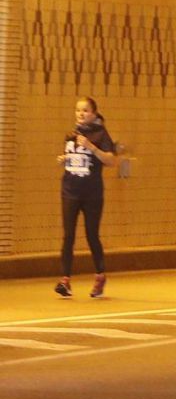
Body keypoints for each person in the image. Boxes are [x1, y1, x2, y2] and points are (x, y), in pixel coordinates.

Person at [55, 97, 116, 298]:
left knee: (92, 235)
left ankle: (100, 276)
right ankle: (65, 281)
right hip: (70, 191)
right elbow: (76, 160)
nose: (81, 114)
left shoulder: (101, 134)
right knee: (68, 236)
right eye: (78, 110)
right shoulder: (71, 134)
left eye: (85, 110)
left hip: (92, 194)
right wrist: (65, 159)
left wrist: (91, 147)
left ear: (94, 113)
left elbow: (111, 160)